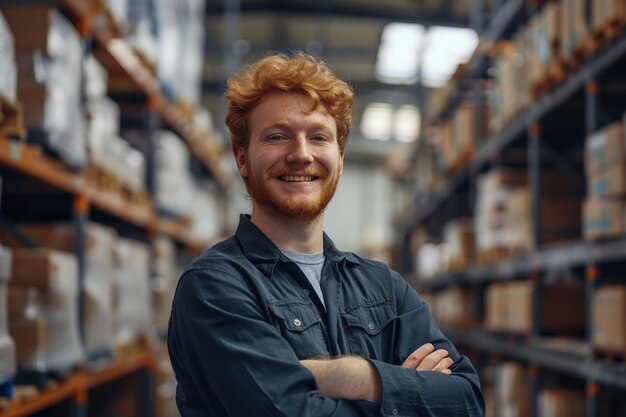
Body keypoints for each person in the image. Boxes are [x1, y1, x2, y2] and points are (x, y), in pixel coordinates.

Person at [167, 52, 485, 417]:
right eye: (277, 136)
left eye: (318, 137)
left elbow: (468, 401)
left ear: (340, 157)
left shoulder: (382, 287)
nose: (301, 154)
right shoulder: (215, 286)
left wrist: (353, 375)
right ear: (241, 159)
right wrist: (405, 390)